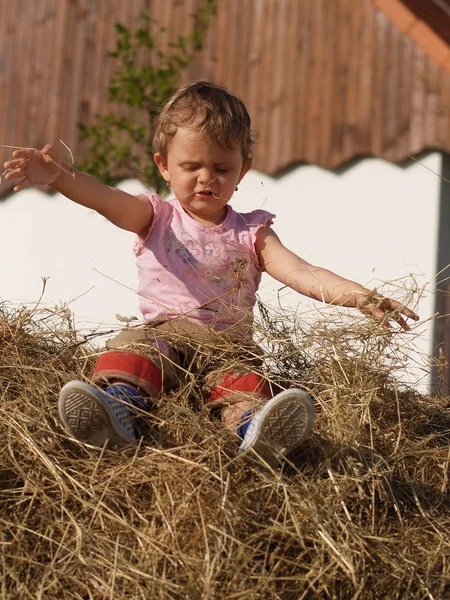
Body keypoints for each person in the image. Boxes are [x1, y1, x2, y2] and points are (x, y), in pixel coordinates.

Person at [3, 81, 419, 467]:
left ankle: (254, 429)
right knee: (133, 352)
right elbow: (105, 199)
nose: (207, 177)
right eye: (191, 166)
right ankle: (118, 411)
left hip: (227, 348)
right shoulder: (155, 216)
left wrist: (362, 296)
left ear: (243, 170)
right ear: (164, 166)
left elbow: (301, 271)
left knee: (245, 384)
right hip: (164, 334)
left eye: (221, 168)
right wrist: (59, 175)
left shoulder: (252, 232)